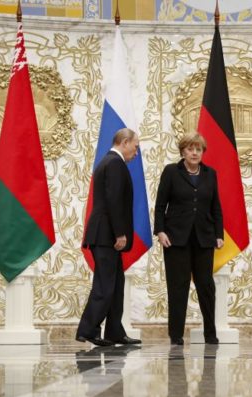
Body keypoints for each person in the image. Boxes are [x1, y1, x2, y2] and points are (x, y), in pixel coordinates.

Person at [153, 132, 224, 346]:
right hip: (175, 239)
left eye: (198, 149)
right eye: (190, 149)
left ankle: (210, 333)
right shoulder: (171, 172)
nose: (194, 153)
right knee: (178, 287)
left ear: (202, 152)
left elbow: (216, 207)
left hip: (204, 238)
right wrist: (160, 231)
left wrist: (219, 234)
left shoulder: (210, 174)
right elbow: (160, 205)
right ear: (183, 151)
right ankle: (176, 335)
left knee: (206, 286)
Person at [76, 128, 142, 347]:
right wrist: (119, 233)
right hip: (107, 235)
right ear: (124, 142)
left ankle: (114, 331)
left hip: (105, 234)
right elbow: (114, 200)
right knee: (105, 285)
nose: (136, 152)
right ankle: (88, 330)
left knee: (116, 284)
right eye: (135, 147)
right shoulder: (114, 163)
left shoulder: (110, 161)